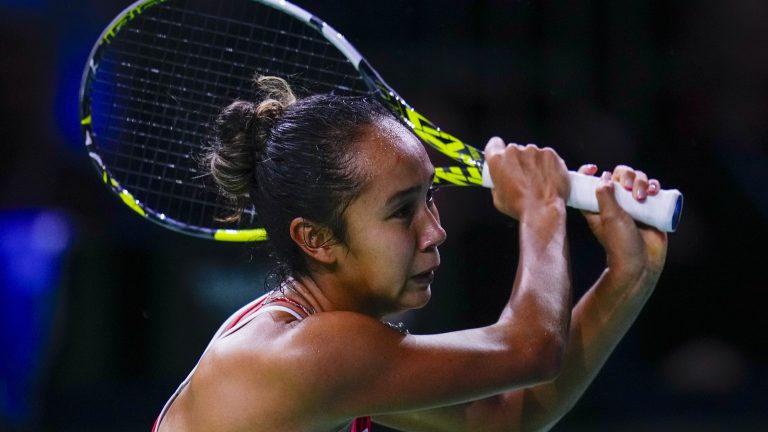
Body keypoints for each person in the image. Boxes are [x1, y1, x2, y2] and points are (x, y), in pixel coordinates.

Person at [152, 76, 668, 432]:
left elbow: (504, 419)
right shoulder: (310, 353)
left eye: (431, 198)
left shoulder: (327, 346)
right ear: (316, 239)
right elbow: (531, 348)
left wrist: (629, 273)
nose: (435, 232)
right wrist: (542, 207)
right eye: (402, 212)